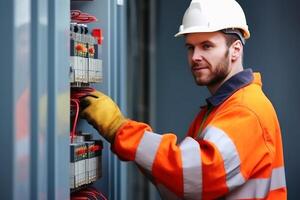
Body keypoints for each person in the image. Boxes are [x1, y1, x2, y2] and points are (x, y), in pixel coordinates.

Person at [81, 0, 287, 199]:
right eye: (190, 47)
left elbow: (187, 175)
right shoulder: (218, 109)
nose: (195, 56)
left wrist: (119, 129)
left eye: (206, 46)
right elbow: (178, 185)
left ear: (235, 50)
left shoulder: (246, 110)